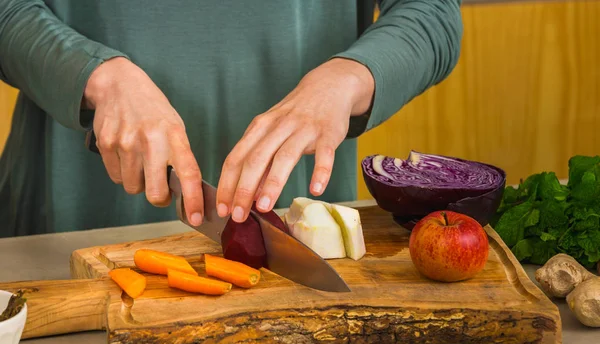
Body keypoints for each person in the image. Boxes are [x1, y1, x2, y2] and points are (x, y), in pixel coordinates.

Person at [0, 0, 463, 238]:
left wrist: (352, 77)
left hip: (293, 223)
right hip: (63, 221)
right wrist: (92, 76)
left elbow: (434, 12)